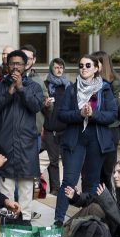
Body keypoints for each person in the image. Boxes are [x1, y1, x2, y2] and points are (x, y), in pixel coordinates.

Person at [52, 55, 118, 226]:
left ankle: (85, 219)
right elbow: (62, 114)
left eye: (88, 65)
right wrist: (80, 114)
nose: (84, 68)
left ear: (96, 68)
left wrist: (93, 114)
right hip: (75, 140)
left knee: (92, 182)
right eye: (81, 65)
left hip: (97, 141)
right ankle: (58, 221)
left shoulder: (105, 89)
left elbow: (112, 115)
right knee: (69, 180)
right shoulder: (72, 89)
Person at [0, 50, 43, 220]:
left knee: (26, 190)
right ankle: (7, 224)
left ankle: (24, 224)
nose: (15, 67)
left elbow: (36, 106)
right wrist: (10, 91)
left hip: (27, 146)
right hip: (4, 145)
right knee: (6, 189)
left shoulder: (34, 87)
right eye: (12, 63)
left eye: (19, 63)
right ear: (7, 65)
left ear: (26, 66)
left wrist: (21, 89)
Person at [64, 158, 120, 237]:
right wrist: (76, 197)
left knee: (94, 209)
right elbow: (94, 199)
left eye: (119, 172)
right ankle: (59, 236)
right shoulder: (118, 192)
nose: (114, 175)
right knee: (94, 208)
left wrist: (107, 201)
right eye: (114, 172)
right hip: (115, 231)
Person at [92, 51, 120, 176]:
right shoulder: (90, 83)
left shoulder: (114, 84)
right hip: (94, 131)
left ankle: (108, 196)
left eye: (94, 63)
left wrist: (108, 98)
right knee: (92, 173)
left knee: (107, 173)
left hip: (109, 131)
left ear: (103, 65)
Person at [42, 58, 70, 194]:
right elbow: (40, 107)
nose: (59, 70)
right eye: (56, 67)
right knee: (52, 162)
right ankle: (55, 188)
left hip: (66, 130)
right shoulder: (46, 85)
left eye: (61, 67)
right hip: (50, 129)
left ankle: (67, 189)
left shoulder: (68, 85)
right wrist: (45, 105)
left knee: (67, 161)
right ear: (51, 68)